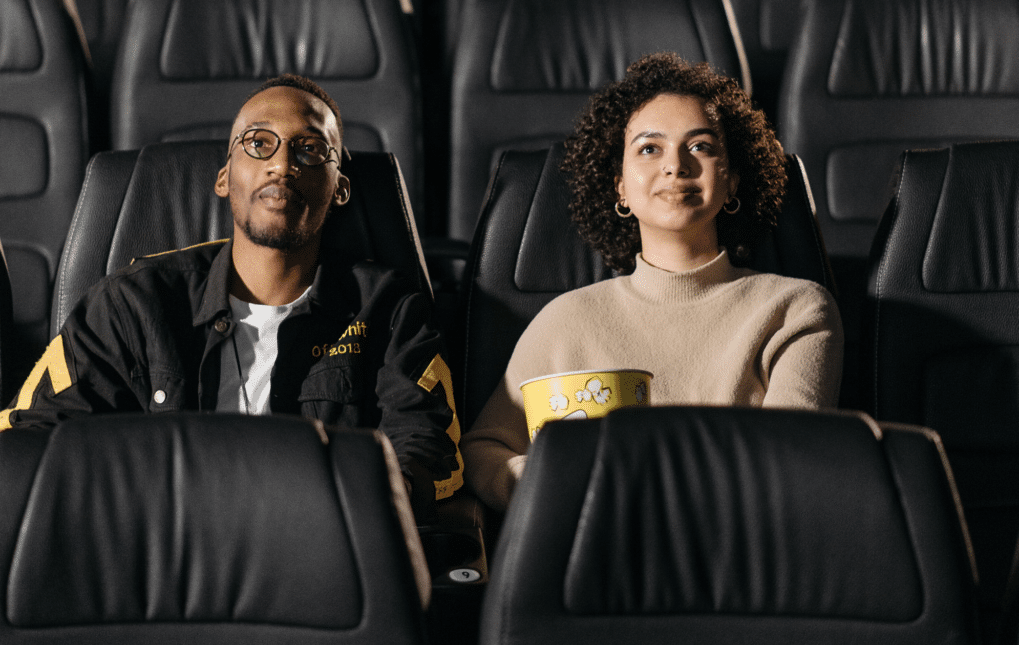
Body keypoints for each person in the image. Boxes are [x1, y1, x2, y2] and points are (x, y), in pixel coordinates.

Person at [0, 74, 464, 513]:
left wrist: (361, 506)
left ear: (339, 188)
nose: (282, 164)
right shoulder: (132, 302)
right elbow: (30, 437)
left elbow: (427, 447)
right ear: (224, 178)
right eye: (259, 143)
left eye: (311, 149)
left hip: (318, 556)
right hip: (155, 559)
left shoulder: (387, 307)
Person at [461, 54, 842, 512]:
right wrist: (557, 487)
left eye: (700, 146)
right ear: (619, 187)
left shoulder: (795, 310)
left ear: (733, 179)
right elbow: (483, 450)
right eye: (649, 148)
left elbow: (784, 469)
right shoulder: (565, 320)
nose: (675, 166)